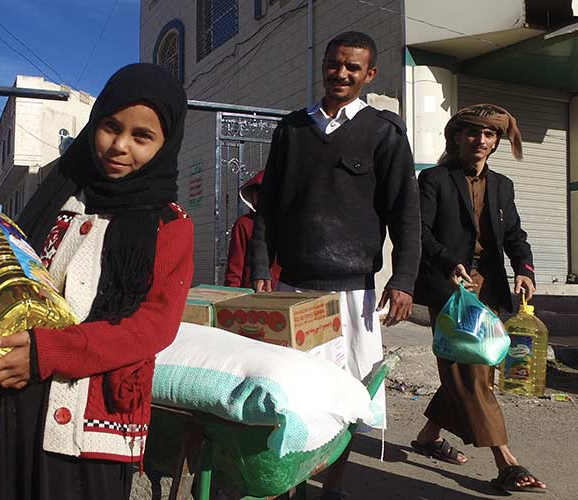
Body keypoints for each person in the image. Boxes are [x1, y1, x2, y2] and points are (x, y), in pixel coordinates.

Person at [0, 63, 193, 500]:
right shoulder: (55, 198)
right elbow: (5, 284)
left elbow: (154, 325)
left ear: (167, 145)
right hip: (6, 400)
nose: (120, 146)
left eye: (142, 137)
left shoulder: (169, 226)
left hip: (86, 427)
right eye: (110, 127)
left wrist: (48, 353)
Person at [248, 31, 421, 499]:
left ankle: (334, 487)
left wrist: (403, 279)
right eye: (334, 63)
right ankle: (288, 485)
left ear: (370, 74)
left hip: (355, 293)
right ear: (323, 65)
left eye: (352, 67)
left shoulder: (383, 132)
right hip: (294, 289)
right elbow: (269, 208)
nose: (341, 73)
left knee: (350, 395)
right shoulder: (292, 130)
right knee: (291, 394)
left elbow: (406, 213)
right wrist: (260, 265)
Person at [411, 104, 546, 493]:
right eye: (472, 133)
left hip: (489, 287)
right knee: (470, 372)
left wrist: (525, 269)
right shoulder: (434, 179)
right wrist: (449, 263)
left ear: (496, 142)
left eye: (489, 135)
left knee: (476, 368)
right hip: (452, 288)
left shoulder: (503, 185)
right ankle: (507, 461)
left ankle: (427, 436)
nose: (480, 140)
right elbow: (419, 231)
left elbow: (515, 235)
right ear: (456, 138)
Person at [223, 170, 280, 288]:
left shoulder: (287, 225)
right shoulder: (244, 224)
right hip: (250, 296)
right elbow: (234, 269)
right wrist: (231, 296)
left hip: (283, 295)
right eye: (258, 195)